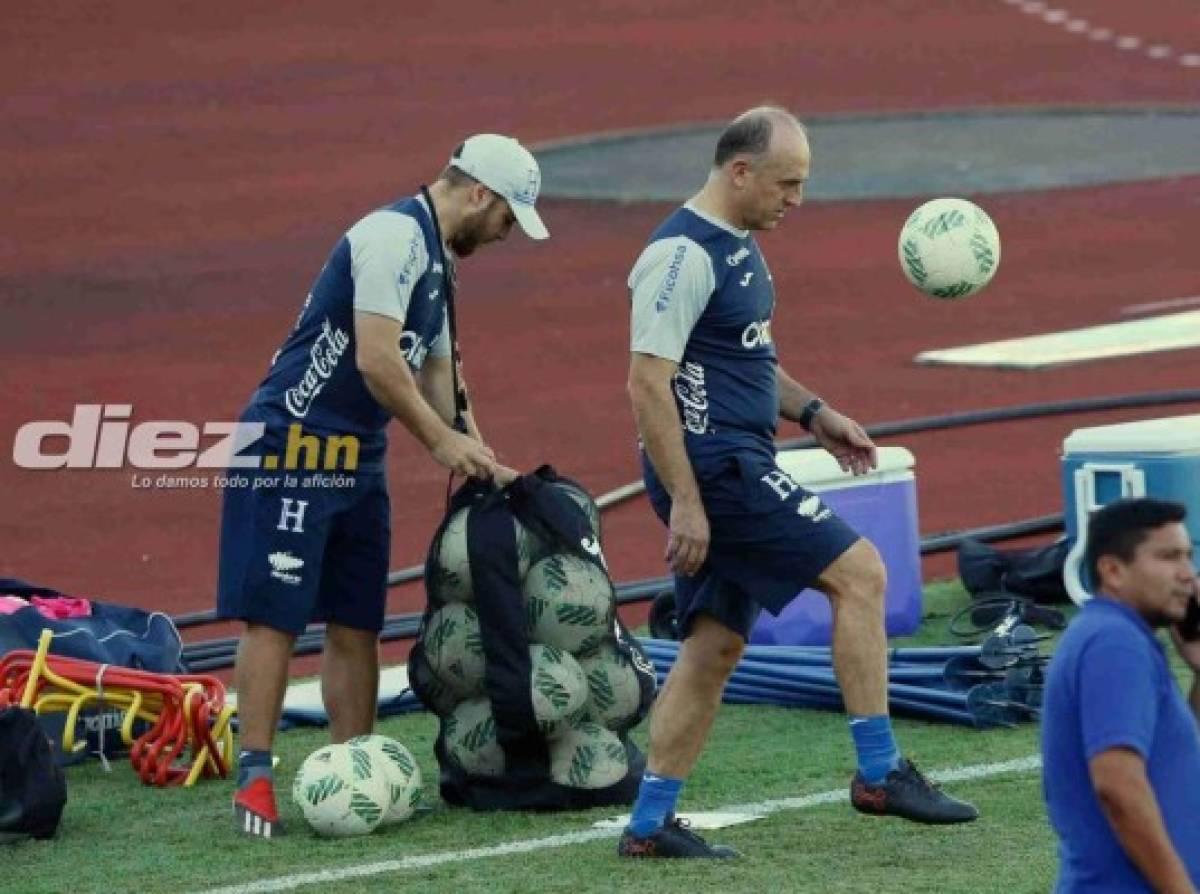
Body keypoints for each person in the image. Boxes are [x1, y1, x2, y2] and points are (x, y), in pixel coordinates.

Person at [620, 106, 977, 859]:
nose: (797, 200)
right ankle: (880, 773)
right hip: (717, 470)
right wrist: (687, 501)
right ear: (740, 171)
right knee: (862, 575)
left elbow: (744, 359)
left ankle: (649, 824)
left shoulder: (737, 246)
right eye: (787, 183)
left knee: (713, 646)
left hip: (732, 464)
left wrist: (815, 413)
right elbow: (647, 384)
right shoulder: (682, 256)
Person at [216, 134, 549, 838]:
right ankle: (253, 776)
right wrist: (438, 442)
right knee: (274, 613)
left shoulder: (440, 267)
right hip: (289, 442)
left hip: (356, 454)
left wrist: (481, 455)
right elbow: (375, 359)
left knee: (357, 618)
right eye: (507, 218)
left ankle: (354, 763)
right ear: (479, 194)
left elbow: (440, 379)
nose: (505, 234)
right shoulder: (393, 236)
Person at [1042, 498, 1200, 892]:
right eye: (1169, 557)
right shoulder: (1114, 642)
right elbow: (1117, 786)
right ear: (1112, 570)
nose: (1189, 575)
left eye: (1188, 556)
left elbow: (1175, 759)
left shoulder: (1119, 636)